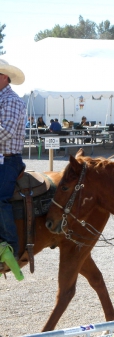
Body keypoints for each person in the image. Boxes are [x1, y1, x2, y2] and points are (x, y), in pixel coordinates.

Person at [0, 58, 27, 271]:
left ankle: (12, 246)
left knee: (1, 199)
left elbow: (6, 132)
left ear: (4, 77)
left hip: (8, 159)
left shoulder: (10, 100)